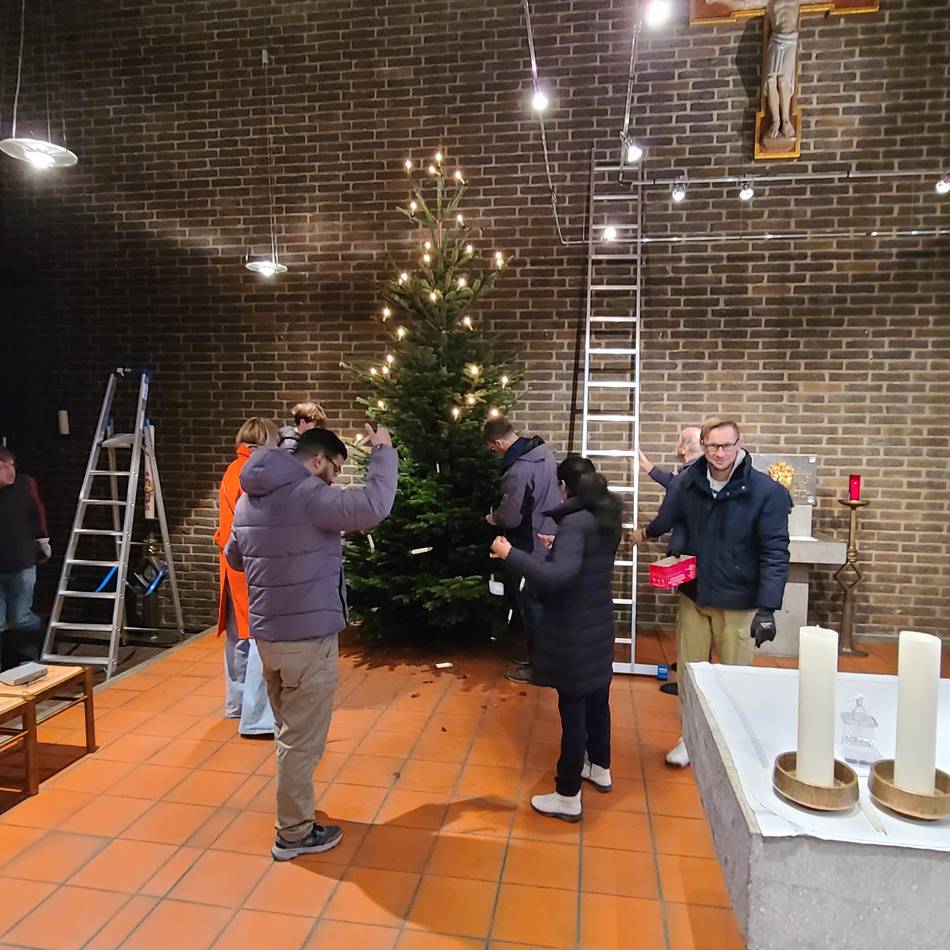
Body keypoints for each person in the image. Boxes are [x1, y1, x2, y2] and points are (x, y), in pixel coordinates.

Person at [225, 424, 397, 860]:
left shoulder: (251, 496)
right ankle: (294, 834)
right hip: (305, 640)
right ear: (318, 459)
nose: (335, 479)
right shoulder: (309, 495)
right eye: (335, 468)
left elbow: (235, 557)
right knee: (301, 742)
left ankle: (295, 811)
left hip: (269, 637)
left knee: (289, 732)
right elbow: (374, 506)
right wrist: (382, 451)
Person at [491, 455, 622, 822]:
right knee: (598, 701)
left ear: (565, 486)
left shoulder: (576, 523)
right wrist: (559, 546)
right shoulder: (606, 515)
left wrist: (510, 553)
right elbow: (582, 562)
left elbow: (555, 579)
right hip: (598, 626)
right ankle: (600, 766)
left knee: (573, 710)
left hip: (575, 631)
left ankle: (567, 794)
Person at [658, 417, 790, 768]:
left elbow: (775, 550)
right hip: (695, 594)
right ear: (702, 445)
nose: (720, 453)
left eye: (727, 445)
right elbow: (678, 520)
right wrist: (677, 551)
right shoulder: (689, 483)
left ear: (738, 444)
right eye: (713, 446)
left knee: (735, 677)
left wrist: (767, 607)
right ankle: (691, 738)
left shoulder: (765, 492)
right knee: (690, 673)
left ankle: (732, 741)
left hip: (738, 599)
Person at [483, 416, 561, 684]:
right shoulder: (544, 454)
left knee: (531, 606)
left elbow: (512, 516)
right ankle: (545, 658)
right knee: (542, 604)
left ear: (499, 442)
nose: (493, 452)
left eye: (492, 448)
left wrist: (493, 518)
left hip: (528, 545)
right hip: (547, 537)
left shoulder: (517, 470)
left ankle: (539, 668)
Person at [214, 418, 279, 738]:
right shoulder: (253, 473)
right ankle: (256, 718)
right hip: (250, 564)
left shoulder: (231, 469)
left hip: (230, 564)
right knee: (257, 639)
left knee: (237, 639)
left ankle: (236, 704)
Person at [0, 448, 50, 669]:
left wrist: (43, 540)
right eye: (3, 466)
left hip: (21, 563)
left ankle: (41, 642)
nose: (9, 471)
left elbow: (37, 512)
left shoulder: (24, 484)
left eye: (11, 465)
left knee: (20, 618)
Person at [637, 424, 702, 491]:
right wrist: (644, 463)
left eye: (679, 440)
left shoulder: (690, 475)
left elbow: (673, 483)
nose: (676, 444)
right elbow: (671, 481)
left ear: (684, 449)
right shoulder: (700, 472)